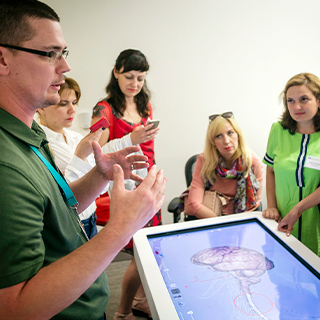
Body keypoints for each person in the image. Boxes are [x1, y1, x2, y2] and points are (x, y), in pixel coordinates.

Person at [0, 2, 166, 320]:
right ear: (3, 58)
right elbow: (15, 310)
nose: (66, 67)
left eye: (64, 53)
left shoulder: (30, 132)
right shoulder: (6, 164)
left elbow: (55, 212)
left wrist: (98, 177)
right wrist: (121, 228)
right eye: (50, 54)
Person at [91, 49, 159, 320]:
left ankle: (140, 301)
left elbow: (150, 146)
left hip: (147, 180)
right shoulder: (104, 108)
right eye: (129, 76)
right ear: (116, 72)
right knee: (139, 251)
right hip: (125, 187)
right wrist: (132, 137)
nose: (135, 83)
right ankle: (121, 312)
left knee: (150, 247)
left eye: (141, 78)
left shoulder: (145, 104)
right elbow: (96, 151)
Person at [262, 72, 320, 256]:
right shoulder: (277, 131)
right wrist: (271, 206)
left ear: (318, 100)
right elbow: (270, 170)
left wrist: (298, 210)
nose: (297, 106)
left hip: (315, 221)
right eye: (290, 101)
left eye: (304, 99)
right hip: (282, 217)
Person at [37, 77, 103, 238]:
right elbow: (58, 194)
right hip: (69, 224)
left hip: (91, 218)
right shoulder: (40, 143)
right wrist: (80, 156)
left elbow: (99, 183)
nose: (72, 110)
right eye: (63, 103)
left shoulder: (76, 137)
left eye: (74, 103)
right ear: (41, 107)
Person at [186, 112, 263, 220]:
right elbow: (194, 203)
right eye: (219, 136)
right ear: (213, 141)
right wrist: (221, 223)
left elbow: (255, 202)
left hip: (241, 220)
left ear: (238, 135)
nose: (226, 141)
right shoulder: (204, 161)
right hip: (209, 218)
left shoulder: (253, 162)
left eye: (230, 133)